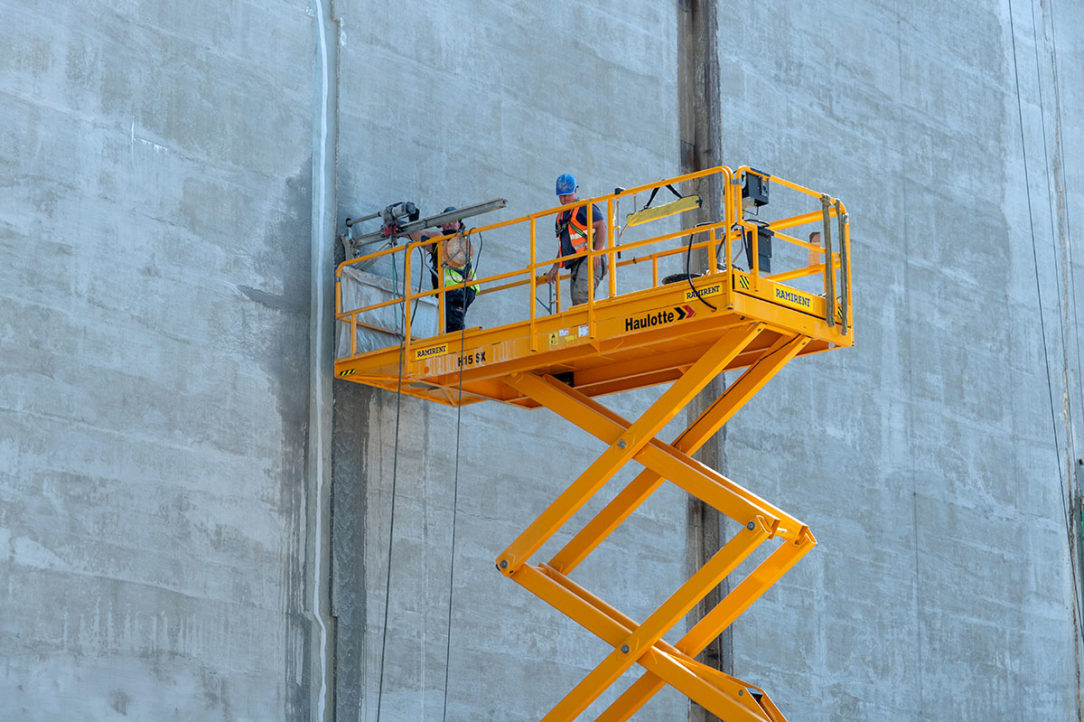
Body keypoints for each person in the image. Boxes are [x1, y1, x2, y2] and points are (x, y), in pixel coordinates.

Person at [411, 206, 479, 332]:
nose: (449, 223)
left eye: (453, 220)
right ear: (442, 223)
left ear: (459, 224)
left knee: (451, 327)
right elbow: (418, 237)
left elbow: (420, 236)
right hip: (459, 290)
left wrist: (411, 225)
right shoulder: (449, 241)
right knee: (450, 325)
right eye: (446, 220)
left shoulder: (453, 241)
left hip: (458, 289)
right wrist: (412, 226)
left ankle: (454, 345)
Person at [546, 173, 608, 306]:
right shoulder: (561, 217)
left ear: (575, 191)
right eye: (562, 196)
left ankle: (586, 327)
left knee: (581, 296)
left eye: (567, 195)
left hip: (590, 257)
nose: (564, 199)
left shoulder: (584, 207)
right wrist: (555, 266)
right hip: (576, 262)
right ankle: (583, 326)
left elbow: (602, 226)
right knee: (577, 299)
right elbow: (564, 245)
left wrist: (596, 252)